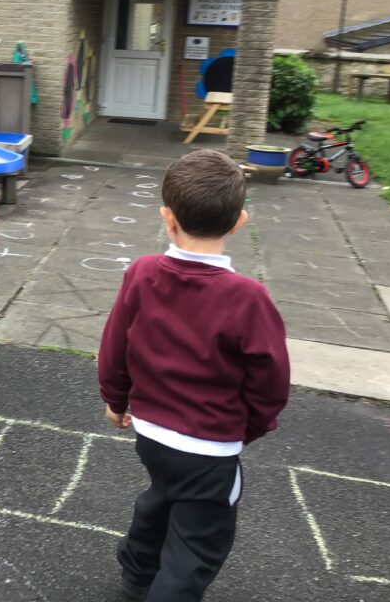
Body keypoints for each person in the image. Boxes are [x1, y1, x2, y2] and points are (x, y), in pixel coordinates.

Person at [98, 149, 290, 602]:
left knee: (161, 497)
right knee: (198, 542)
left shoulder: (142, 273)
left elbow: (114, 345)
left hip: (151, 433)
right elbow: (271, 378)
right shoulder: (248, 298)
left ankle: (136, 576)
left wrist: (116, 400)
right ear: (238, 222)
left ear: (167, 217)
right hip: (209, 448)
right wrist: (251, 427)